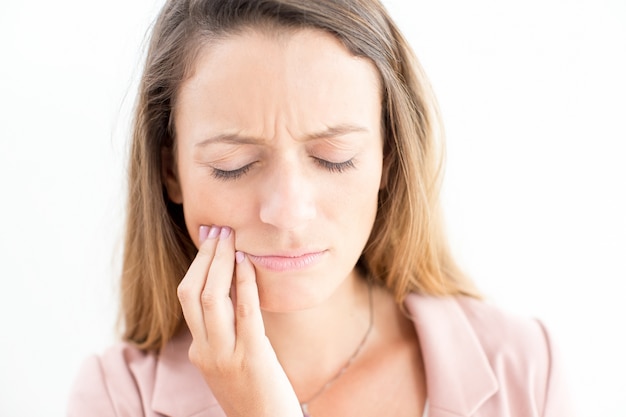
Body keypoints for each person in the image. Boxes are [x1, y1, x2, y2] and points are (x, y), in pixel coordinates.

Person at [68, 0, 575, 416]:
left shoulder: (522, 368)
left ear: (387, 159)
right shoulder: (116, 399)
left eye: (334, 159)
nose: (289, 212)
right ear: (170, 173)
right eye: (233, 164)